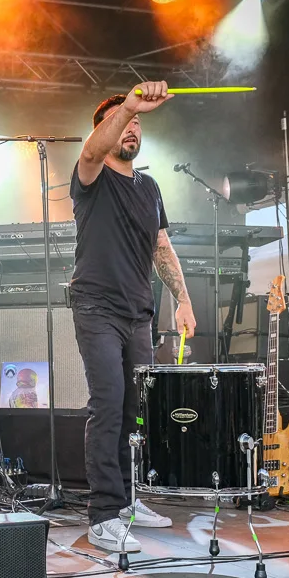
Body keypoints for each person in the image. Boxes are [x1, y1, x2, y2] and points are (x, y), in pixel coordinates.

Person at [71, 81, 196, 553]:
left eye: (138, 122)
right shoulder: (91, 176)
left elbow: (161, 247)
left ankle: (126, 501)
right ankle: (103, 514)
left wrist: (183, 300)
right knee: (107, 404)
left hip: (138, 312)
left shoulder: (150, 187)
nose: (132, 128)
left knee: (135, 411)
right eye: (123, 122)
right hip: (96, 306)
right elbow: (91, 150)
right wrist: (125, 106)